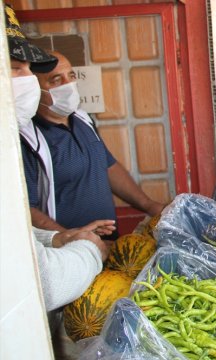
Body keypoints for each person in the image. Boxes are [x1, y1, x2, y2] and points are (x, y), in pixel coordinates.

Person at [5, 0, 112, 312]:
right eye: (14, 68)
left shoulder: (82, 119)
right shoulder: (25, 140)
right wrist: (88, 250)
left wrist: (56, 240)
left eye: (27, 69)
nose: (25, 79)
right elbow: (41, 286)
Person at [25, 51, 164, 237]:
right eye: (56, 80)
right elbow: (26, 210)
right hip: (67, 254)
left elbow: (107, 166)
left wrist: (149, 205)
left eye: (71, 76)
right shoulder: (28, 139)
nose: (69, 85)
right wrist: (72, 240)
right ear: (34, 88)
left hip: (108, 245)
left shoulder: (83, 119)